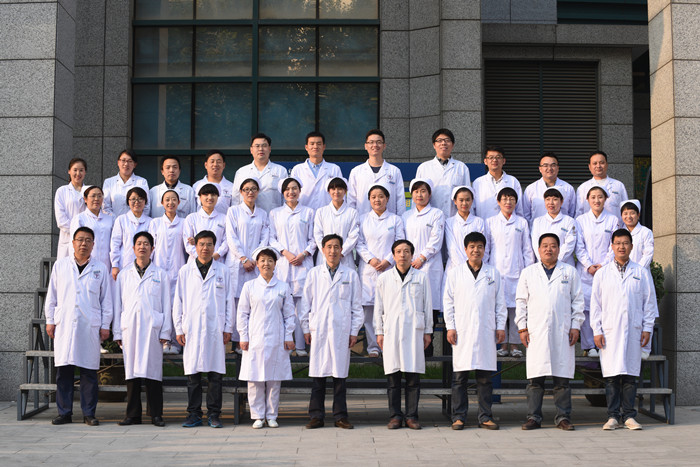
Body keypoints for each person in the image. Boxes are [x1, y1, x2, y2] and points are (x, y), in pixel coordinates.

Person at [516, 233, 585, 431]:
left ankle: (563, 417)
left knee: (562, 379)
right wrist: (522, 327)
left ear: (559, 249)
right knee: (535, 379)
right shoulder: (528, 273)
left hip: (562, 332)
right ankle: (533, 417)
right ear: (538, 250)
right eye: (545, 246)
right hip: (535, 332)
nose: (549, 249)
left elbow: (578, 301)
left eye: (553, 246)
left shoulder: (569, 272)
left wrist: (575, 325)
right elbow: (521, 302)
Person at [45, 227, 112, 426]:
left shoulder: (100, 268)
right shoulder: (60, 266)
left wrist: (105, 325)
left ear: (93, 244)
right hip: (65, 324)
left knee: (88, 372)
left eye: (88, 240)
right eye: (80, 240)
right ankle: (64, 413)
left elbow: (106, 300)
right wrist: (50, 320)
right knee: (64, 371)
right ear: (73, 243)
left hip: (89, 326)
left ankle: (89, 413)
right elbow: (52, 296)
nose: (84, 244)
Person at [591, 229, 658, 431]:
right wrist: (596, 330)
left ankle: (629, 416)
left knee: (630, 375)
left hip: (633, 330)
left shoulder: (641, 273)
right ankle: (612, 416)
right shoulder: (602, 273)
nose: (621, 247)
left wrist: (647, 328)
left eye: (625, 243)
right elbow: (595, 305)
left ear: (631, 246)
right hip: (609, 331)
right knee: (611, 375)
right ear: (612, 246)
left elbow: (649, 303)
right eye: (618, 243)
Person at [443, 231, 506, 430]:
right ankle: (458, 417)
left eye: (479, 247)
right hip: (462, 331)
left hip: (486, 331)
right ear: (465, 249)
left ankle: (485, 416)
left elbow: (500, 303)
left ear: (484, 250)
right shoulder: (455, 274)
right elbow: (448, 302)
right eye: (472, 247)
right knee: (459, 378)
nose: (476, 250)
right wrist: (450, 327)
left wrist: (500, 326)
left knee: (485, 378)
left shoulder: (493, 273)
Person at [301, 234, 364, 429]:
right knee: (318, 376)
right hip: (319, 329)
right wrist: (305, 328)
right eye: (329, 247)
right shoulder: (314, 274)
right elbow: (305, 304)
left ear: (342, 250)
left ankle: (340, 416)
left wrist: (354, 332)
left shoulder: (350, 275)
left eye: (336, 247)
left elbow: (357, 307)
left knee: (339, 377)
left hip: (341, 330)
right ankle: (316, 416)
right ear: (322, 250)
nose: (332, 251)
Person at [173, 230, 234, 428]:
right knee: (193, 375)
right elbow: (178, 301)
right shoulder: (185, 271)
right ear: (196, 246)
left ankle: (214, 414)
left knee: (215, 375)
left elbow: (229, 301)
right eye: (201, 244)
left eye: (209, 244)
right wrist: (179, 329)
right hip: (192, 328)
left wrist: (228, 328)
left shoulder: (223, 271)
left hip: (215, 328)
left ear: (214, 247)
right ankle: (194, 414)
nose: (205, 248)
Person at [113, 231, 171, 427]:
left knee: (153, 373)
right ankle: (132, 415)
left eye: (146, 244)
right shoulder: (124, 275)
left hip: (153, 329)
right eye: (139, 243)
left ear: (152, 248)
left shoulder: (160, 274)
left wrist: (165, 331)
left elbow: (166, 304)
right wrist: (117, 332)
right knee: (131, 373)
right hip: (130, 328)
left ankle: (156, 415)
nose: (142, 247)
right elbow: (117, 305)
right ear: (133, 248)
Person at [374, 240, 433, 430]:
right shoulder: (384, 278)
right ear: (393, 255)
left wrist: (428, 331)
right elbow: (378, 308)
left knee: (413, 377)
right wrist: (379, 332)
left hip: (414, 331)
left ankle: (411, 416)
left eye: (406, 251)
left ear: (412, 255)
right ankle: (395, 416)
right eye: (398, 251)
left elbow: (427, 306)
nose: (402, 255)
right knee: (393, 378)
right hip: (391, 331)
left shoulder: (421, 277)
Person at [237, 246, 296, 429]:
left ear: (275, 264)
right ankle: (257, 416)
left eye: (270, 260)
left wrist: (288, 335)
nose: (266, 264)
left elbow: (289, 315)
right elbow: (242, 314)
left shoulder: (283, 287)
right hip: (254, 339)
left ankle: (271, 415)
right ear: (257, 264)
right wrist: (243, 336)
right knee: (254, 379)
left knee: (274, 379)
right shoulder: (249, 286)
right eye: (262, 260)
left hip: (276, 339)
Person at [356, 183, 405, 357]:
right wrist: (371, 259)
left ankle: (389, 346)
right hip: (368, 269)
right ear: (369, 200)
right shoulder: (362, 219)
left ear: (387, 199)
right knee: (369, 311)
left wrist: (388, 260)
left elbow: (400, 242)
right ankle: (373, 347)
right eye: (374, 197)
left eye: (381, 196)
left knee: (390, 308)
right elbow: (359, 242)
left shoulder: (395, 220)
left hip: (389, 268)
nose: (377, 200)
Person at [269, 176, 316, 357]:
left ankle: (301, 346)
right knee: (284, 305)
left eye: (294, 188)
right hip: (283, 263)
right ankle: (286, 344)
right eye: (287, 189)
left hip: (303, 263)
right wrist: (285, 252)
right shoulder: (275, 213)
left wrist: (304, 254)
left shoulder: (309, 212)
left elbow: (314, 239)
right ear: (283, 192)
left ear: (300, 191)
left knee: (303, 307)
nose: (291, 192)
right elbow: (271, 238)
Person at [485, 187, 535, 357]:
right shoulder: (490, 222)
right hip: (496, 271)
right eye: (505, 199)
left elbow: (527, 249)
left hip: (517, 271)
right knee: (499, 308)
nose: (508, 202)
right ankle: (502, 344)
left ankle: (514, 345)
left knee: (516, 309)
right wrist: (485, 269)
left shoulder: (521, 223)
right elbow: (487, 248)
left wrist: (528, 271)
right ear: (498, 202)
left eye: (512, 199)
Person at [225, 177, 270, 353]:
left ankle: (254, 339)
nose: (250, 192)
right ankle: (238, 341)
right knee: (237, 303)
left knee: (255, 301)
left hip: (256, 264)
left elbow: (264, 238)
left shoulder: (263, 214)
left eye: (253, 189)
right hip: (238, 263)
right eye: (246, 189)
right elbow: (231, 236)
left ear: (258, 192)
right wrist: (243, 258)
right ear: (241, 192)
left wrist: (255, 258)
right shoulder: (233, 211)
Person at [575, 186, 620, 357]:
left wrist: (603, 265)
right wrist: (588, 265)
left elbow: (613, 245)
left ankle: (605, 344)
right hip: (585, 271)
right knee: (586, 309)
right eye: (593, 197)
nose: (596, 200)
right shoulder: (580, 220)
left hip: (606, 270)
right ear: (587, 200)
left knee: (605, 307)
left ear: (605, 199)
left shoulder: (613, 220)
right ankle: (589, 346)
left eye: (600, 197)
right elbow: (579, 245)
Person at [402, 179, 445, 355]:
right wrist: (409, 260)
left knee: (429, 308)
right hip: (409, 266)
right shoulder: (406, 216)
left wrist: (421, 258)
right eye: (416, 191)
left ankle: (428, 349)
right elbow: (402, 241)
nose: (419, 195)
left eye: (423, 191)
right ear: (411, 194)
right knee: (412, 307)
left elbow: (436, 240)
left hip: (429, 266)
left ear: (429, 194)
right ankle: (412, 349)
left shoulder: (437, 214)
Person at [148, 189, 187, 354]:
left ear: (179, 203)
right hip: (159, 268)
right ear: (162, 203)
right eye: (167, 200)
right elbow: (151, 247)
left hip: (178, 268)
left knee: (177, 306)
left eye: (174, 200)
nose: (170, 203)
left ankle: (176, 342)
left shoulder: (184, 222)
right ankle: (163, 340)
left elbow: (188, 245)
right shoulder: (155, 223)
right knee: (161, 305)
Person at [415, 129, 471, 218]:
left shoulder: (462, 167)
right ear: (434, 145)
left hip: (454, 218)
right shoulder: (424, 168)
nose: (443, 143)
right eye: (439, 140)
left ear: (452, 145)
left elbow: (467, 195)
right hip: (430, 218)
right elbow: (417, 196)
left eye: (447, 140)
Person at [348, 129, 405, 216]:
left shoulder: (394, 171)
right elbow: (351, 200)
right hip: (363, 220)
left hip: (389, 220)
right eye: (371, 142)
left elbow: (400, 199)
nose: (375, 145)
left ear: (384, 146)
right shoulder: (356, 172)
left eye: (379, 142)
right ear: (366, 146)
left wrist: (400, 219)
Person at [232, 133, 289, 213]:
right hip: (246, 218)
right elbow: (235, 199)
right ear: (251, 150)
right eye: (257, 146)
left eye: (264, 146)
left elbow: (285, 199)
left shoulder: (280, 171)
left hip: (272, 218)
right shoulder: (241, 172)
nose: (261, 149)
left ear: (269, 149)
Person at [290, 131, 343, 212]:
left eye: (319, 144)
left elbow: (341, 195)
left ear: (324, 147)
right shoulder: (297, 169)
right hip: (303, 214)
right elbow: (291, 195)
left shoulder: (334, 169)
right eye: (312, 144)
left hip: (328, 214)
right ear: (306, 147)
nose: (315, 147)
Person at [313, 177, 359, 268]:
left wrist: (341, 252)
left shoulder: (352, 212)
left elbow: (353, 236)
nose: (336, 192)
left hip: (345, 258)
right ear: (328, 191)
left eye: (340, 189)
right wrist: (327, 252)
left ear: (345, 191)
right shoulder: (321, 212)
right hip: (324, 258)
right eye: (333, 189)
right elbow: (318, 234)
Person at [443, 186, 487, 281]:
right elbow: (452, 248)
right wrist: (465, 267)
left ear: (472, 201)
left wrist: (474, 265)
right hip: (454, 267)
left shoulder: (479, 222)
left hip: (476, 267)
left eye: (467, 200)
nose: (464, 203)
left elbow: (482, 246)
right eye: (461, 200)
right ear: (455, 201)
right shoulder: (449, 222)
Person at [109, 187, 152, 281]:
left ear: (145, 202)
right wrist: (115, 265)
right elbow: (115, 244)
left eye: (140, 199)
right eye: (133, 199)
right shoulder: (121, 220)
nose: (137, 202)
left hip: (145, 265)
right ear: (128, 201)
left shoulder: (151, 222)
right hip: (124, 263)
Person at [521, 153, 576, 223]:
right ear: (540, 169)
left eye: (553, 165)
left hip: (563, 228)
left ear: (558, 168)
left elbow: (572, 213)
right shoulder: (531, 189)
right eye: (545, 165)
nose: (549, 168)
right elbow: (526, 214)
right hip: (538, 228)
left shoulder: (568, 188)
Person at [530, 187, 578, 266]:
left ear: (561, 202)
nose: (551, 203)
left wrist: (555, 261)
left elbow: (570, 244)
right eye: (548, 199)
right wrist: (544, 261)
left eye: (555, 199)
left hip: (564, 264)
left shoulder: (569, 221)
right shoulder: (537, 221)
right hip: (542, 264)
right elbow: (536, 244)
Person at [575, 151, 629, 220]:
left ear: (607, 165)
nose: (598, 166)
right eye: (595, 163)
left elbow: (626, 210)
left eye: (601, 163)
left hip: (615, 226)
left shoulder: (618, 186)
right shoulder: (583, 188)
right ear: (589, 167)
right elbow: (579, 213)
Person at [472, 146, 523, 219]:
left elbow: (519, 208)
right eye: (491, 157)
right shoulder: (478, 183)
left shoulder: (513, 181)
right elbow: (472, 208)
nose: (494, 160)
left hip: (508, 224)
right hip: (483, 224)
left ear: (504, 161)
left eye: (498, 157)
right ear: (485, 161)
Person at [70, 186, 114, 269]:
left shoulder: (110, 219)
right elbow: (73, 245)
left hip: (107, 264)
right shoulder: (79, 219)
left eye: (99, 196)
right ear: (85, 199)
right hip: (86, 264)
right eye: (93, 196)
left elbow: (114, 243)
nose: (96, 199)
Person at [183, 184, 228, 262]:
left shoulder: (224, 218)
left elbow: (227, 241)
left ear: (217, 197)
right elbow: (188, 243)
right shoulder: (191, 218)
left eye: (213, 195)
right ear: (200, 197)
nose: (210, 197)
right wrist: (201, 257)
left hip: (217, 260)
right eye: (206, 194)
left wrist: (217, 254)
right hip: (196, 261)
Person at [55, 158, 88, 258]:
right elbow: (61, 220)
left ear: (85, 172)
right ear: (69, 171)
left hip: (86, 239)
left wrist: (84, 235)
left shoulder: (89, 191)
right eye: (75, 170)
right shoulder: (62, 191)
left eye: (81, 170)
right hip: (68, 238)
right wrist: (78, 234)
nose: (78, 173)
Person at [102, 149, 150, 217]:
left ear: (135, 164)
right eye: (123, 160)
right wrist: (117, 221)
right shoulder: (109, 182)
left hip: (136, 222)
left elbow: (146, 206)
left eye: (130, 161)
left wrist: (136, 220)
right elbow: (105, 207)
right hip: (113, 221)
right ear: (118, 162)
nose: (126, 164)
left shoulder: (142, 182)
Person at [192, 150, 233, 215]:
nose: (215, 164)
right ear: (206, 165)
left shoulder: (231, 187)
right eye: (212, 161)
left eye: (218, 162)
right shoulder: (196, 186)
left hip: (224, 221)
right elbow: (193, 209)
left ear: (224, 165)